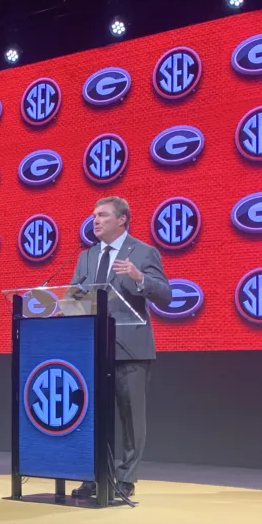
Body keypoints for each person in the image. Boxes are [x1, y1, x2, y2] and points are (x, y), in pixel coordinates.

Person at [69, 196, 171, 499]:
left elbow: (165, 294)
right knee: (93, 415)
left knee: (130, 416)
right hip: (94, 349)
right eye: (93, 215)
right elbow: (74, 292)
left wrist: (140, 278)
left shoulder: (142, 252)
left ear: (122, 219)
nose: (95, 220)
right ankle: (95, 472)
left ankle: (125, 478)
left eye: (102, 215)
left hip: (131, 348)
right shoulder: (86, 256)